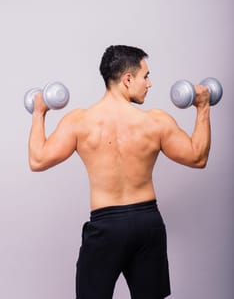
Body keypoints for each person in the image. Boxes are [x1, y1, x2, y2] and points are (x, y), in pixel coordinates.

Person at [28, 45, 211, 299]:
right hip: (147, 224)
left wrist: (38, 113)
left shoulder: (80, 122)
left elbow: (37, 160)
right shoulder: (155, 121)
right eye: (145, 76)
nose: (149, 83)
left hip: (106, 227)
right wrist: (203, 108)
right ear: (127, 79)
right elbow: (198, 156)